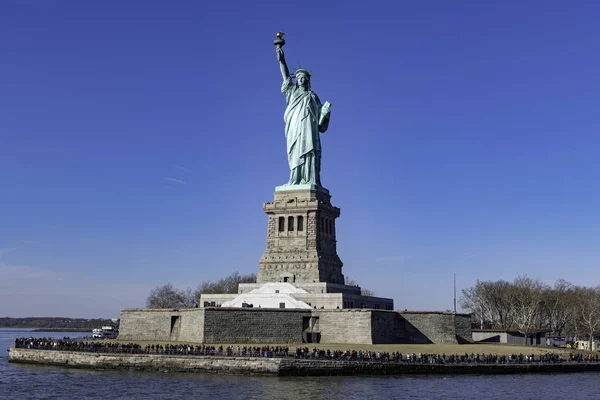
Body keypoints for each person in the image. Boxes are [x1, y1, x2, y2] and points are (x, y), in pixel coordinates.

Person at [276, 45, 331, 187]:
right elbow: (286, 75)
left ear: (308, 80)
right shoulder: (292, 92)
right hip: (295, 128)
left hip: (309, 129)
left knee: (310, 150)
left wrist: (325, 113)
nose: (300, 79)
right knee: (295, 152)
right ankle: (294, 179)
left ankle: (311, 179)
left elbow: (320, 124)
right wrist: (282, 60)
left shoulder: (313, 96)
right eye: (298, 77)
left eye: (303, 77)